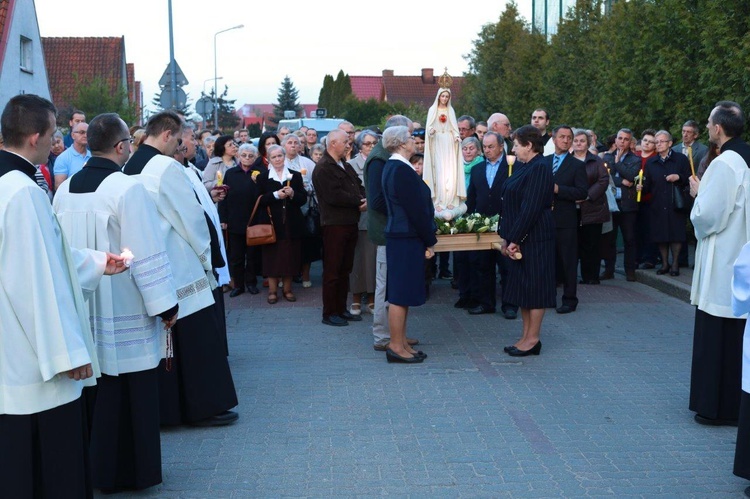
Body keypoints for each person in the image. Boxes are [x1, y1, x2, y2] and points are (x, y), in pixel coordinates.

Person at [0, 94, 124, 498]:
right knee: (48, 469)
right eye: (54, 134)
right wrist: (68, 355)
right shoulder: (22, 192)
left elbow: (45, 254)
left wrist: (93, 261)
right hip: (31, 362)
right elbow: (35, 281)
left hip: (12, 348)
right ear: (35, 136)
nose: (56, 143)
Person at [53, 113, 179, 493]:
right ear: (122, 146)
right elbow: (146, 250)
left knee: (95, 389)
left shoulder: (65, 189)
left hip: (82, 304)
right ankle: (132, 472)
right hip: (124, 304)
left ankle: (96, 468)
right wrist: (166, 306)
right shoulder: (127, 188)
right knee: (130, 388)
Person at [123, 111, 238, 427]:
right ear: (165, 134)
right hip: (180, 265)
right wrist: (207, 262)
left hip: (151, 266)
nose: (178, 147)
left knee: (167, 343)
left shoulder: (129, 167)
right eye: (176, 140)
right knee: (197, 339)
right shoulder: (165, 167)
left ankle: (169, 411)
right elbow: (191, 220)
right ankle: (204, 407)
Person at [687, 101, 750, 426]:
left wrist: (698, 195)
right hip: (741, 256)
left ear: (718, 128)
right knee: (736, 334)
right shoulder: (744, 157)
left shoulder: (726, 163)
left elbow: (710, 216)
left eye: (710, 123)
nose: (709, 127)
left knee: (718, 333)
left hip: (724, 259)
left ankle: (716, 406)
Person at [364, 115, 421, 351]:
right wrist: (403, 210)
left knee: (392, 286)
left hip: (392, 229)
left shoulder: (387, 156)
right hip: (387, 231)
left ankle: (397, 335)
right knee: (385, 287)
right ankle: (383, 336)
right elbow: (377, 200)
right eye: (408, 134)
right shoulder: (379, 159)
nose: (412, 139)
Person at [498, 125, 555, 357]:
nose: (514, 149)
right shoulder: (525, 166)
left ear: (529, 145)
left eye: (516, 144)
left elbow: (530, 208)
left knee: (536, 289)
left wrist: (516, 238)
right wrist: (507, 236)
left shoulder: (540, 168)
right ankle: (524, 336)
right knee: (523, 289)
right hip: (521, 237)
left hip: (535, 239)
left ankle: (533, 339)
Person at [381, 125, 436, 363]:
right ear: (402, 143)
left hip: (401, 234)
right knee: (400, 294)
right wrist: (429, 239)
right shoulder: (400, 170)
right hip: (405, 236)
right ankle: (395, 346)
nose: (415, 141)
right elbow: (415, 210)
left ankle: (401, 342)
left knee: (401, 292)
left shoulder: (395, 166)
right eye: (412, 138)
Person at [312, 129, 366, 326]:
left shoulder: (344, 164)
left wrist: (361, 197)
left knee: (345, 269)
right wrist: (359, 201)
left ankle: (341, 308)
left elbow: (358, 185)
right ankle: (330, 312)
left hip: (349, 222)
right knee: (333, 270)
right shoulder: (324, 167)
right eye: (345, 142)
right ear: (333, 143)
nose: (349, 145)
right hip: (334, 224)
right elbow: (334, 196)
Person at [464, 131, 514, 316]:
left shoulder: (512, 166)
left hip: (505, 222)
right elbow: (473, 197)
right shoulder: (478, 168)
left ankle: (509, 305)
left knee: (507, 266)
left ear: (501, 146)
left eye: (491, 146)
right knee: (483, 266)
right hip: (483, 224)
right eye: (484, 147)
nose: (487, 150)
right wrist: (468, 219)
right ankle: (486, 302)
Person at [256, 145, 307, 304]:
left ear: (284, 157)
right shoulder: (263, 178)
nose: (278, 159)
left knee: (289, 257)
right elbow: (259, 200)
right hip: (271, 224)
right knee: (271, 257)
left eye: (280, 156)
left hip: (291, 224)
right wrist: (275, 195)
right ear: (269, 159)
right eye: (274, 157)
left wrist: (293, 194)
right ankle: (272, 291)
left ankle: (287, 289)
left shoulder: (295, 176)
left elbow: (302, 200)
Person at [638, 130, 691, 276]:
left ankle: (675, 264)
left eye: (661, 141)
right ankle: (665, 263)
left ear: (670, 143)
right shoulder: (651, 162)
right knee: (661, 235)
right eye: (657, 142)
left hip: (675, 203)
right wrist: (641, 187)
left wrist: (678, 177)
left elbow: (689, 178)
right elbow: (648, 184)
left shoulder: (680, 159)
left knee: (676, 234)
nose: (658, 144)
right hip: (657, 204)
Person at [548, 125, 588, 312]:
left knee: (568, 261)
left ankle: (569, 299)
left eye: (569, 138)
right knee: (547, 261)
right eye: (562, 137)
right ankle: (547, 297)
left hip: (566, 220)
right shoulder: (544, 162)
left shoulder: (577, 165)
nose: (565, 140)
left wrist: (559, 190)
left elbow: (582, 192)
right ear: (554, 138)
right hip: (545, 218)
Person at [220, 143, 260, 297]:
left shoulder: (259, 173)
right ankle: (238, 285)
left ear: (255, 157)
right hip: (234, 219)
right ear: (238, 156)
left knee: (252, 255)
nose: (247, 158)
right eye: (244, 155)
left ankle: (251, 283)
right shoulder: (231, 173)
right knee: (236, 256)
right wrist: (223, 218)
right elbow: (223, 197)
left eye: (251, 155)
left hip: (253, 220)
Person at [601, 128, 641, 281]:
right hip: (611, 204)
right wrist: (621, 181)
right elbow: (605, 177)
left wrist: (618, 164)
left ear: (630, 142)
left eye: (626, 139)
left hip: (627, 205)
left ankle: (630, 270)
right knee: (609, 239)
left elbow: (631, 177)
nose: (622, 141)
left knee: (629, 238)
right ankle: (609, 270)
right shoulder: (607, 157)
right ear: (615, 140)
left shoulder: (634, 159)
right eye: (620, 138)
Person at [572, 130, 610, 285]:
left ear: (588, 143)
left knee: (592, 244)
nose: (579, 143)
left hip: (593, 208)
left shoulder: (596, 161)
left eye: (582, 141)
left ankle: (591, 277)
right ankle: (569, 277)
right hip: (571, 208)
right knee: (573, 244)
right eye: (576, 141)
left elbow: (603, 180)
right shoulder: (567, 160)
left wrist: (587, 195)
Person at [348, 130, 379, 315]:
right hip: (358, 218)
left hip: (377, 219)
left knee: (374, 261)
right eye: (367, 143)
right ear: (360, 146)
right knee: (357, 261)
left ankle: (373, 299)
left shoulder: (382, 163)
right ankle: (356, 299)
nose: (371, 146)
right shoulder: (351, 165)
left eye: (374, 142)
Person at [423, 88, 465, 221]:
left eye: (447, 96)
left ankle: (451, 199)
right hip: (437, 143)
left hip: (449, 145)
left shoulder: (450, 111)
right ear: (438, 97)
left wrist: (457, 136)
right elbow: (429, 127)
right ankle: (439, 201)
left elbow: (454, 128)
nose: (445, 99)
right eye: (443, 96)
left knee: (450, 172)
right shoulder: (432, 110)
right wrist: (431, 131)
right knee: (439, 172)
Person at [54, 121, 91, 188]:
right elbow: (59, 187)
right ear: (73, 135)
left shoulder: (93, 156)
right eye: (82, 132)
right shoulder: (63, 158)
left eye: (88, 133)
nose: (85, 135)